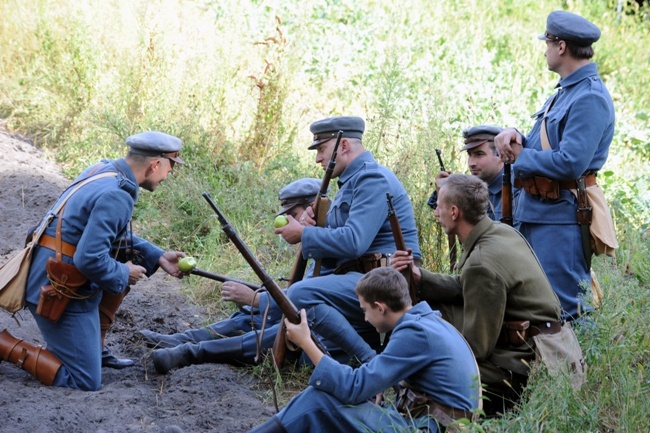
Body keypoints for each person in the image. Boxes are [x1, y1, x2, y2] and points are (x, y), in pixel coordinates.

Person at [151, 116, 422, 374]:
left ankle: (370, 361)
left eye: (322, 149)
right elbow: (335, 253)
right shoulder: (350, 184)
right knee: (289, 315)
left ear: (344, 145)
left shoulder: (371, 179)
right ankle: (190, 347)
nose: (318, 158)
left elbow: (353, 242)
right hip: (358, 279)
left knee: (299, 296)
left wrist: (304, 235)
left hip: (384, 285)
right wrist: (310, 228)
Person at [0, 131, 186, 391]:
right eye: (171, 167)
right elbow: (89, 258)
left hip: (49, 269)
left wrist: (158, 256)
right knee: (85, 379)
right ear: (155, 164)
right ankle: (4, 345)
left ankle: (93, 347)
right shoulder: (117, 195)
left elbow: (105, 236)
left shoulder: (103, 170)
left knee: (125, 260)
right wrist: (123, 273)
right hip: (57, 287)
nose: (169, 175)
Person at [391, 174, 565, 416]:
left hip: (526, 366)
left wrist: (424, 355)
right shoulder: (502, 232)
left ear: (454, 212)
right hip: (549, 346)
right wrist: (419, 276)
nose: (435, 214)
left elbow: (474, 350)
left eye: (438, 207)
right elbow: (466, 286)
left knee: (424, 372)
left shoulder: (481, 264)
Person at [248, 267, 481, 433]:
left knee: (317, 400)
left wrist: (306, 343)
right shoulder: (427, 321)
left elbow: (353, 387)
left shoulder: (415, 333)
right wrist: (382, 385)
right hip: (434, 422)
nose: (365, 318)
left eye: (364, 310)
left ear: (380, 308)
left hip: (431, 428)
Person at [494, 10, 615, 322]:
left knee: (567, 308)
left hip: (561, 219)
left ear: (561, 47)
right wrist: (516, 137)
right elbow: (544, 145)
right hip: (537, 213)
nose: (545, 50)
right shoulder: (565, 92)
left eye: (547, 43)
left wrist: (521, 156)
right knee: (534, 306)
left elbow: (571, 163)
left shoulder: (589, 97)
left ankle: (578, 372)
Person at [139, 178, 321, 348]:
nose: (287, 223)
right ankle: (184, 340)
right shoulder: (317, 241)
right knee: (247, 316)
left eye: (293, 215)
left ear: (313, 208)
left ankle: (191, 350)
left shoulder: (330, 243)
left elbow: (309, 301)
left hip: (316, 330)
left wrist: (255, 299)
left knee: (262, 323)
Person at [428, 125, 506, 221]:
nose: (471, 163)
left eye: (479, 154)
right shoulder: (474, 188)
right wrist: (442, 190)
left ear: (501, 154)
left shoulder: (516, 190)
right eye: (470, 154)